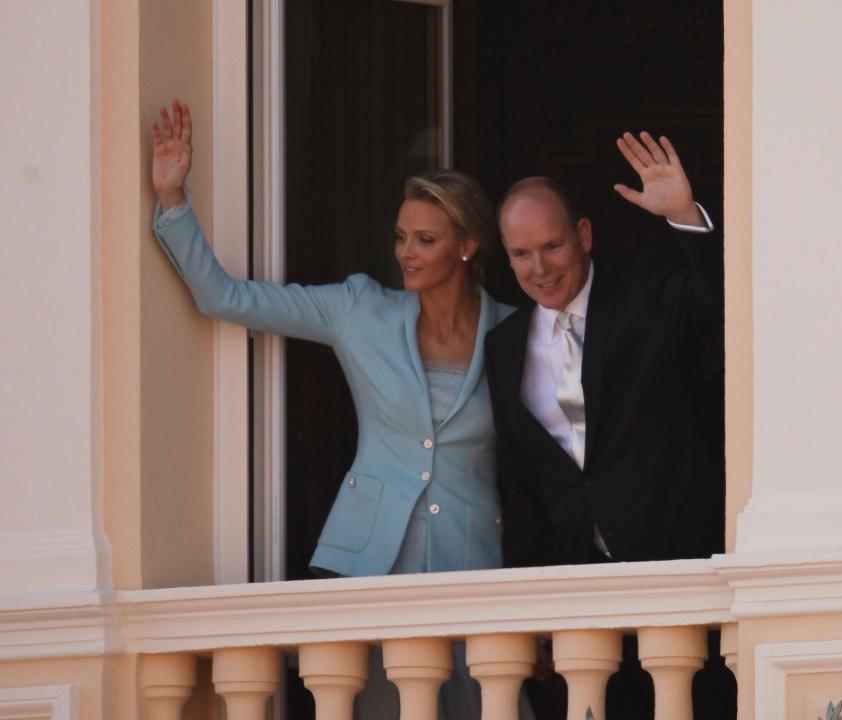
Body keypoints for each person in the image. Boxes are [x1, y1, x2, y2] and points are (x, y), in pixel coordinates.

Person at [150, 99, 517, 719]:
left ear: (467, 245)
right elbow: (224, 298)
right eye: (401, 237)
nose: (406, 252)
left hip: (472, 569)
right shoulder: (358, 309)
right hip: (368, 566)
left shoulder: (512, 333)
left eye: (425, 240)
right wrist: (172, 198)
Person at [485, 131, 728, 719]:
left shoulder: (645, 290)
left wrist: (683, 217)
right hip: (581, 602)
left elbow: (723, 300)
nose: (539, 269)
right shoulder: (504, 345)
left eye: (552, 246)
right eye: (521, 254)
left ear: (584, 235)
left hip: (682, 579)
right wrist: (529, 617)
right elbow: (523, 492)